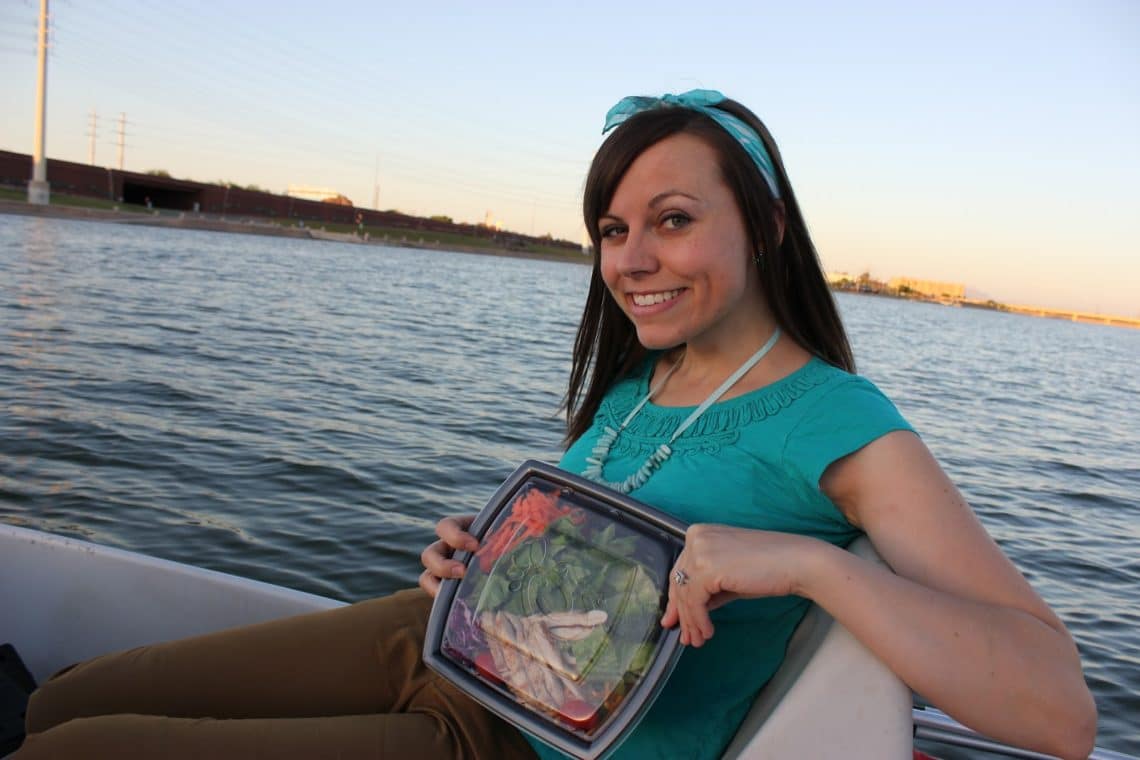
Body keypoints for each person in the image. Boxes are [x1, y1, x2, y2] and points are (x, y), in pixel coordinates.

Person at [14, 91, 1096, 760]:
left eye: (673, 221)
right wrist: (478, 558)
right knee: (67, 698)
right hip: (436, 640)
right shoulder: (642, 382)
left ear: (764, 224)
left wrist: (816, 568)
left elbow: (1060, 712)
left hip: (504, 744)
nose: (629, 259)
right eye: (613, 228)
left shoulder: (841, 423)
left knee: (79, 750)